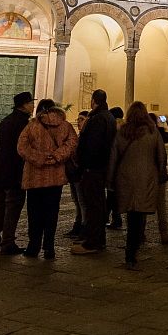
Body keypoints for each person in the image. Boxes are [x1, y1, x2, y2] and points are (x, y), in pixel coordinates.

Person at [108, 101, 166, 269]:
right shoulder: (152, 131)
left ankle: (130, 252)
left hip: (125, 178)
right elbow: (161, 156)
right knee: (139, 213)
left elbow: (113, 156)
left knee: (131, 214)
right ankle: (133, 249)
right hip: (146, 178)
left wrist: (110, 180)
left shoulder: (122, 132)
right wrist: (159, 173)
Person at [17, 98, 77, 259]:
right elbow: (72, 144)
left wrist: (39, 158)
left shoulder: (32, 126)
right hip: (55, 177)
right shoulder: (65, 126)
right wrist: (56, 157)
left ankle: (33, 246)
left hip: (34, 177)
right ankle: (49, 247)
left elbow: (21, 147)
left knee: (34, 213)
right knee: (52, 213)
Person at [0, 91, 33, 255]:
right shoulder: (24, 124)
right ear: (25, 105)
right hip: (15, 173)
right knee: (12, 208)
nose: (33, 106)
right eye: (30, 103)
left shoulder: (5, 121)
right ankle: (7, 242)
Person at [71, 90, 117, 256]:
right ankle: (97, 239)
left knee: (93, 206)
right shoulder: (108, 117)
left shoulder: (98, 118)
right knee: (98, 205)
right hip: (101, 167)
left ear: (93, 101)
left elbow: (92, 146)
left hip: (93, 169)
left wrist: (84, 164)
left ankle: (93, 242)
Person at [148, 112, 168, 245]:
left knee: (141, 204)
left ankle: (140, 233)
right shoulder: (159, 134)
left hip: (146, 175)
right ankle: (164, 232)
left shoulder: (141, 134)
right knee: (161, 205)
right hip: (159, 174)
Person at [66, 110, 90, 239]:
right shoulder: (79, 136)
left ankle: (84, 228)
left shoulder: (86, 137)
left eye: (81, 119)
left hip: (79, 174)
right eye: (78, 119)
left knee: (82, 202)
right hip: (73, 174)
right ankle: (78, 225)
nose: (78, 122)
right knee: (77, 201)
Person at [106, 106, 125, 228]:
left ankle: (110, 218)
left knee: (111, 197)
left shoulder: (114, 130)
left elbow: (113, 152)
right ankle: (116, 219)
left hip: (115, 169)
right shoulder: (127, 129)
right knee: (113, 197)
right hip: (124, 169)